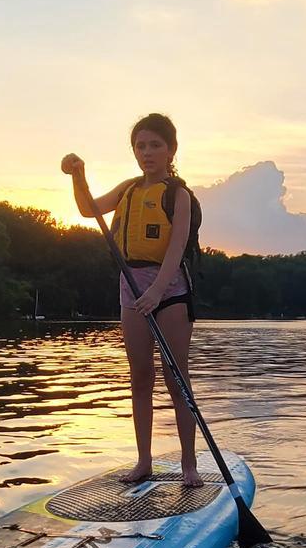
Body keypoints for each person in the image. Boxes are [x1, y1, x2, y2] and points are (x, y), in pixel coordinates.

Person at [62, 113, 204, 486]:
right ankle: (144, 461)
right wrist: (79, 175)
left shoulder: (179, 195)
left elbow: (176, 248)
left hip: (169, 290)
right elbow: (88, 209)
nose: (147, 152)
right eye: (140, 146)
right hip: (130, 287)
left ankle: (189, 463)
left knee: (177, 379)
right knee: (140, 377)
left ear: (171, 150)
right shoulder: (128, 189)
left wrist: (157, 289)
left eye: (155, 144)